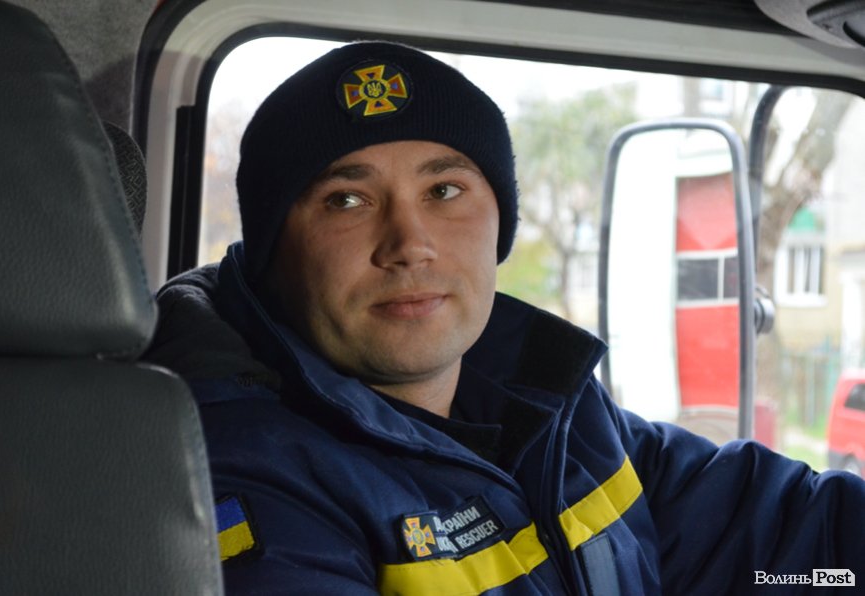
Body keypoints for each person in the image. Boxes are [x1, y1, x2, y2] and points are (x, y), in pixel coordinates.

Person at [145, 41, 865, 595]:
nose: (410, 244)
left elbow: (792, 545)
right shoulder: (237, 481)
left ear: (499, 226)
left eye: (444, 190)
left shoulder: (558, 417)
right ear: (272, 256)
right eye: (347, 201)